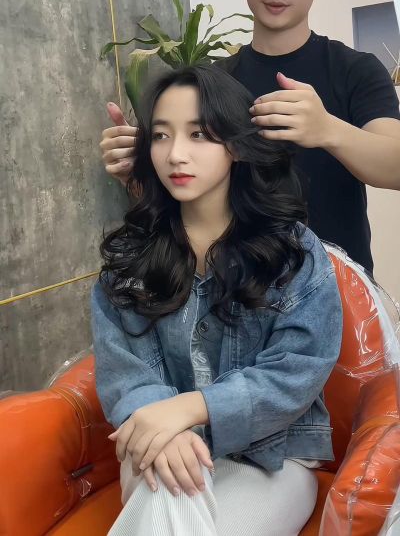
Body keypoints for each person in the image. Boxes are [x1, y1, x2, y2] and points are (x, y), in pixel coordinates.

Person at [92, 65, 343, 536]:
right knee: (169, 491)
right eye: (161, 136)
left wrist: (189, 409)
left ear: (236, 145)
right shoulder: (131, 258)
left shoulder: (291, 251)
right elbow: (124, 370)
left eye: (200, 134)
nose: (176, 154)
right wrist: (167, 426)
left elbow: (297, 371)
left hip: (272, 458)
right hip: (159, 441)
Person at [100, 0, 400, 274]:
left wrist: (328, 129)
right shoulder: (213, 82)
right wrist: (139, 170)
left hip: (338, 287)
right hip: (239, 288)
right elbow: (184, 205)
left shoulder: (355, 70)